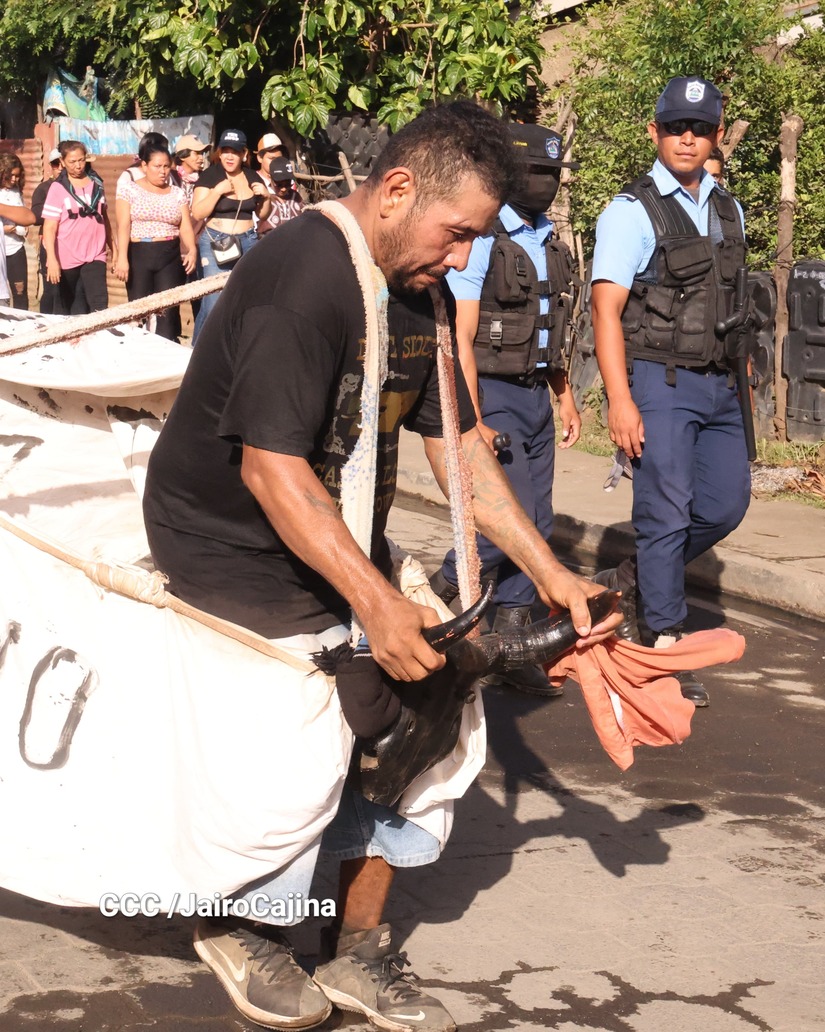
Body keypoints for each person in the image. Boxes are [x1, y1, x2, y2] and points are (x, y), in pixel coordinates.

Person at [143, 100, 620, 1032]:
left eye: (475, 241)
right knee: (323, 718)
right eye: (457, 234)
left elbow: (458, 446)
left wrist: (551, 573)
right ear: (396, 190)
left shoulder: (418, 292)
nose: (462, 260)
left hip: (334, 527)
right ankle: (244, 925)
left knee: (434, 706)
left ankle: (356, 948)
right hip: (224, 540)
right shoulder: (303, 279)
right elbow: (270, 470)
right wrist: (374, 605)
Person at [590, 76, 750, 708]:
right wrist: (620, 400)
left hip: (720, 385)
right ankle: (663, 645)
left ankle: (631, 577)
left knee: (725, 505)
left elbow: (731, 299)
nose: (688, 138)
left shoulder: (728, 208)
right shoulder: (629, 212)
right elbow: (606, 312)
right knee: (665, 513)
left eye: (701, 128)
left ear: (716, 136)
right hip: (660, 382)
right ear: (654, 132)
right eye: (677, 127)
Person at [429, 123, 581, 698]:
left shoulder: (547, 238)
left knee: (538, 520)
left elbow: (549, 327)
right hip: (493, 395)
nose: (545, 183)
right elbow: (462, 337)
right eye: (535, 172)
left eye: (552, 174)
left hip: (536, 394)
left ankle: (513, 642)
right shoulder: (485, 237)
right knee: (501, 525)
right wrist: (473, 418)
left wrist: (564, 396)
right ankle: (438, 594)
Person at [191, 129, 271, 341]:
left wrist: (266, 197)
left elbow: (262, 215)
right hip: (217, 241)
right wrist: (217, 192)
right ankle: (199, 350)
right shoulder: (210, 176)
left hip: (248, 240)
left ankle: (233, 347)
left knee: (247, 296)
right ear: (219, 153)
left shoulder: (252, 176)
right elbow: (197, 213)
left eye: (234, 152)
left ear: (244, 154)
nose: (229, 156)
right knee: (213, 301)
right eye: (225, 151)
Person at [114, 139, 197, 340]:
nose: (163, 171)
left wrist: (192, 249)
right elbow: (123, 226)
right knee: (138, 310)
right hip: (139, 254)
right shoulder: (129, 189)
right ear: (144, 166)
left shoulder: (177, 193)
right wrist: (122, 258)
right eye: (157, 166)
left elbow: (185, 226)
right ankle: (138, 351)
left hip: (169, 256)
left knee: (167, 311)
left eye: (166, 166)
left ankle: (164, 350)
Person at [42, 140, 113, 315]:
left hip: (95, 254)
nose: (78, 166)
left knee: (99, 303)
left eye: (81, 160)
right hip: (66, 256)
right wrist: (52, 259)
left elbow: (105, 219)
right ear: (63, 162)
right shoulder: (57, 188)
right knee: (70, 306)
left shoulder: (97, 184)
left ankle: (100, 332)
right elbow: (49, 227)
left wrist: (116, 250)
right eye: (72, 162)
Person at [30, 148, 66, 314]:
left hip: (70, 245)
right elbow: (36, 216)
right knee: (51, 288)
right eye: (55, 164)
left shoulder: (74, 187)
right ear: (51, 166)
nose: (60, 167)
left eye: (62, 163)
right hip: (50, 243)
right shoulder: (44, 188)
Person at [0, 152, 30, 309]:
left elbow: (22, 214)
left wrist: (22, 227)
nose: (14, 179)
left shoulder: (16, 191)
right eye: (10, 176)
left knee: (20, 292)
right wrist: (3, 229)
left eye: (17, 176)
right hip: (1, 249)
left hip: (15, 249)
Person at [0, 196, 36, 306]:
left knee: (20, 292)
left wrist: (16, 228)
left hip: (14, 249)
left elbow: (29, 221)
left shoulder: (15, 193)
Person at [259, 156, 304, 234]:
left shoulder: (295, 196)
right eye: (279, 184)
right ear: (270, 177)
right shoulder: (263, 197)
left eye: (287, 184)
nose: (283, 189)